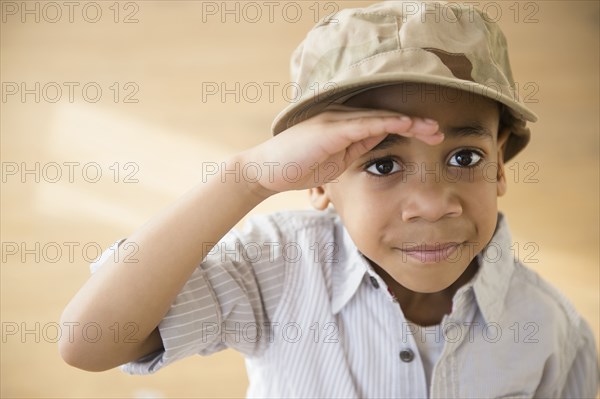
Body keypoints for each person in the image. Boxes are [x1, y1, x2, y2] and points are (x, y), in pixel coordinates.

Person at [59, 1, 599, 397]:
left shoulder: (550, 328)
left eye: (465, 158)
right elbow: (89, 343)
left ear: (500, 163)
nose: (433, 204)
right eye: (383, 164)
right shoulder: (275, 267)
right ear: (318, 179)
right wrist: (246, 176)